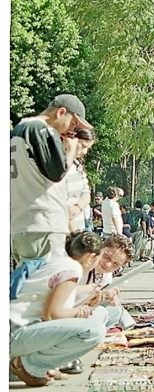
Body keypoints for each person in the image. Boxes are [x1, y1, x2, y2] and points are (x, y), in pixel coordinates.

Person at [9, 231, 108, 387]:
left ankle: (40, 364)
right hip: (14, 333)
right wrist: (78, 312)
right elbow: (51, 314)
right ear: (90, 257)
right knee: (94, 330)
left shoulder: (60, 261)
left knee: (101, 313)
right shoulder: (72, 269)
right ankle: (30, 365)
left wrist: (89, 300)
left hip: (20, 329)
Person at [11, 94, 92, 264]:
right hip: (43, 224)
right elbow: (57, 173)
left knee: (28, 285)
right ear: (61, 112)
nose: (72, 131)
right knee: (47, 286)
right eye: (73, 123)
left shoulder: (18, 130)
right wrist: (70, 151)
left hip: (21, 224)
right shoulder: (40, 129)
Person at [64, 127, 96, 234]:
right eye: (83, 146)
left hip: (78, 228)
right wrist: (74, 234)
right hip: (64, 231)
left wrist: (78, 207)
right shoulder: (56, 165)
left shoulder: (77, 165)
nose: (85, 152)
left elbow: (86, 193)